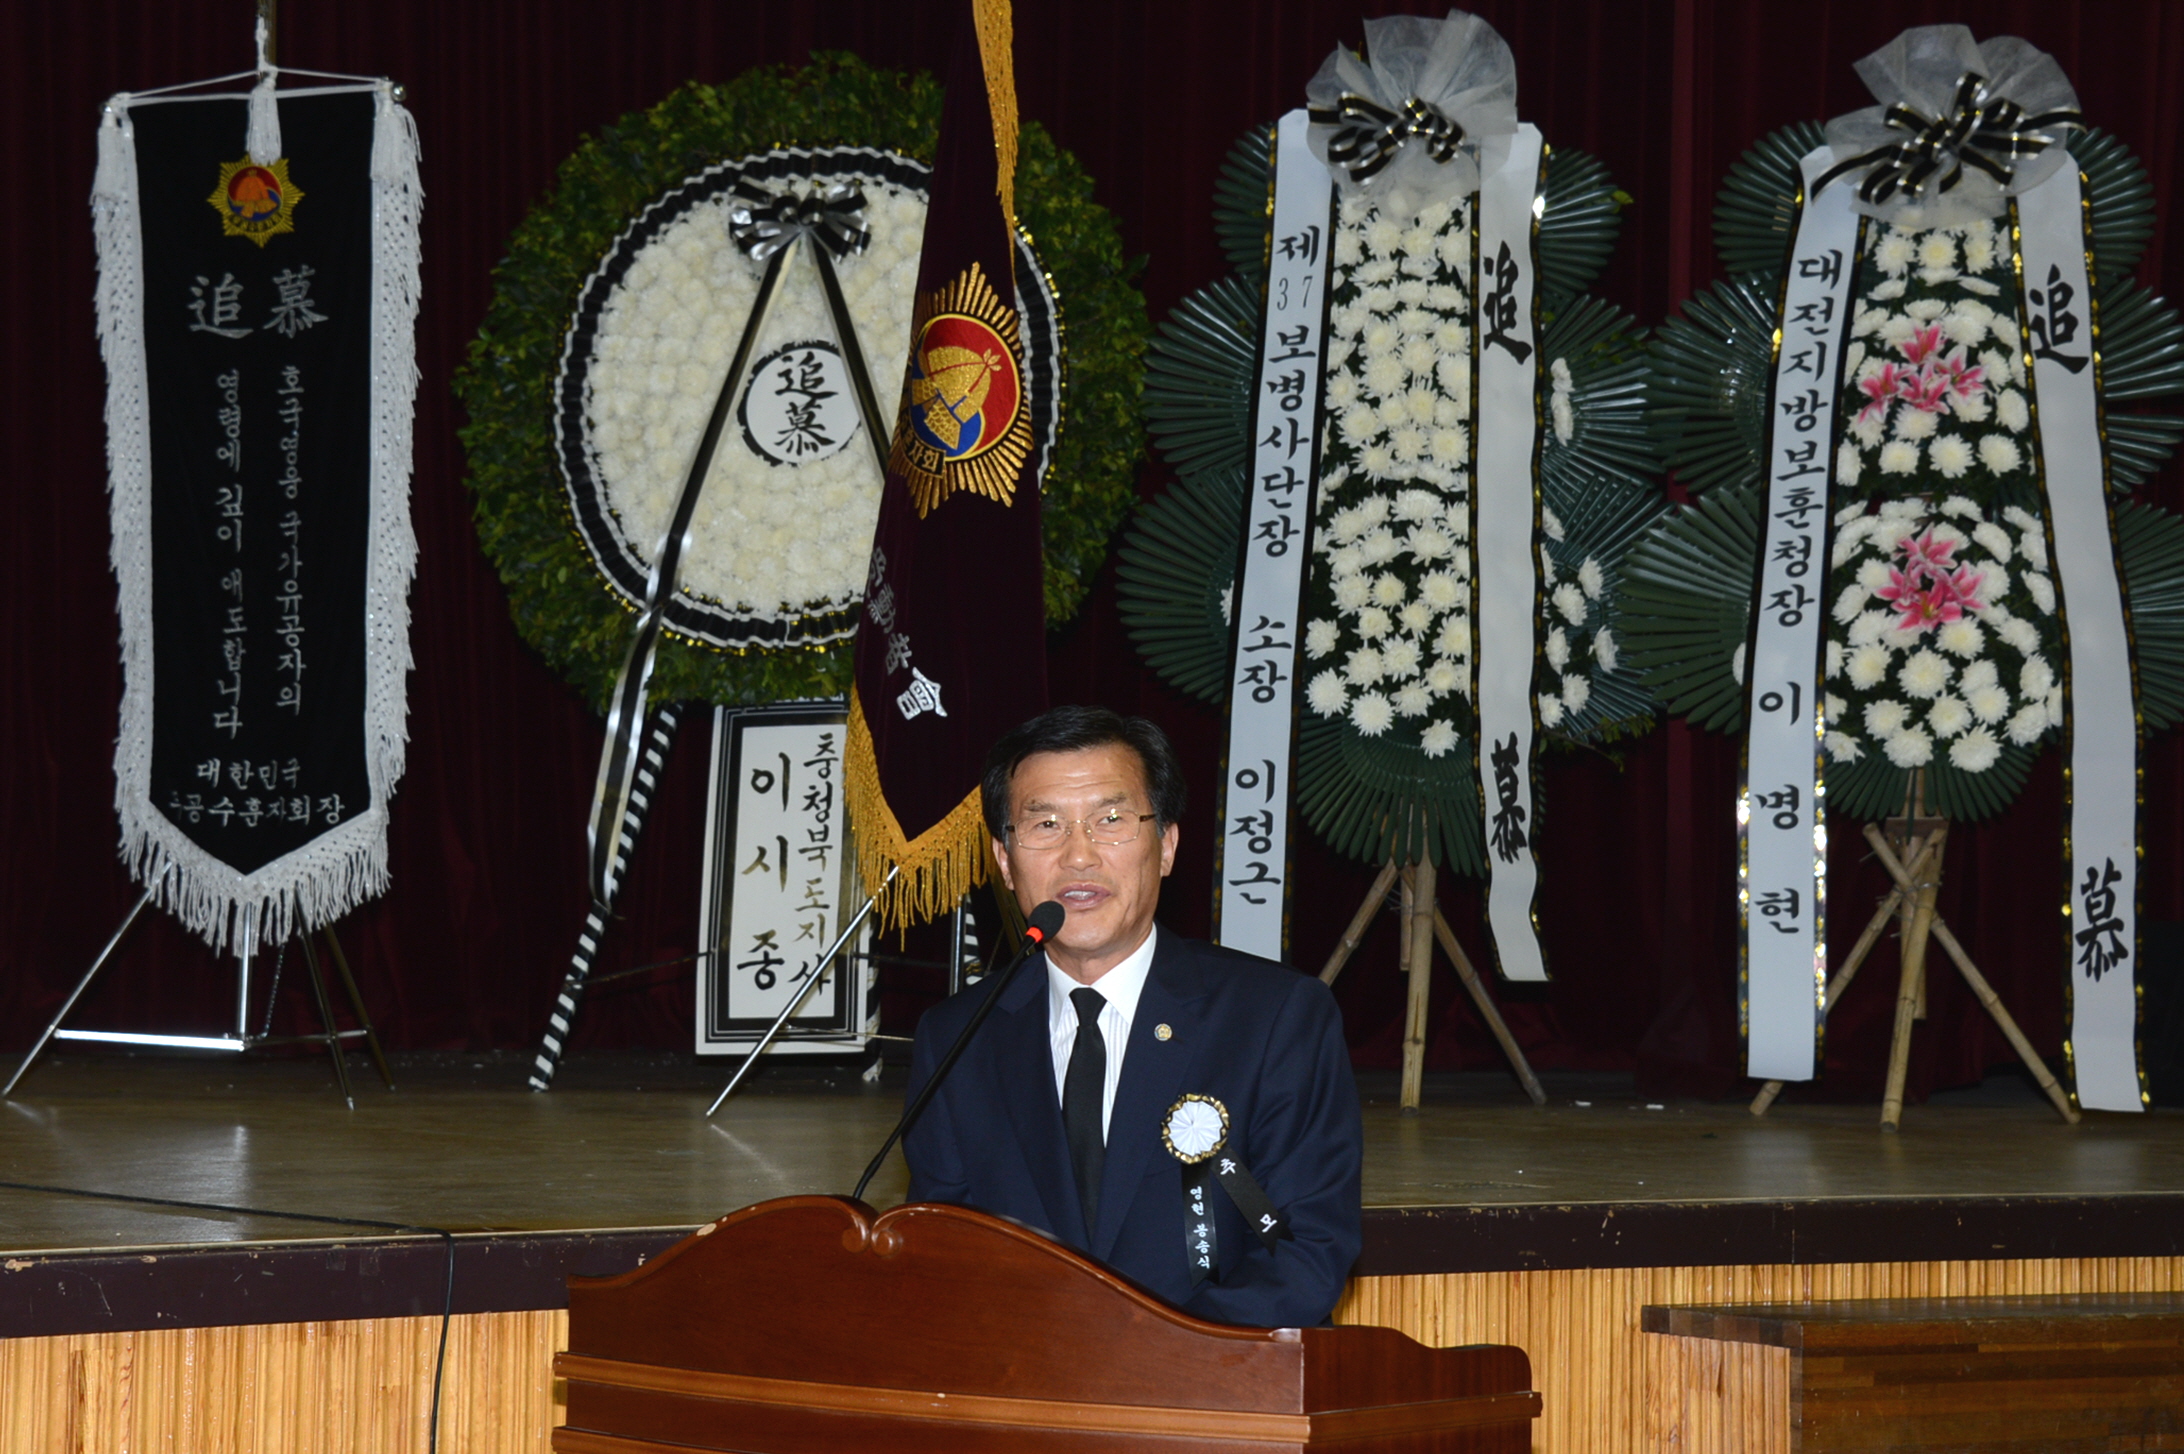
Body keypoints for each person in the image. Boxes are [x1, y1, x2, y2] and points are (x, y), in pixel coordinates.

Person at [902, 705, 1362, 1328]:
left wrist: (1149, 1359)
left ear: (1166, 845)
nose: (1079, 856)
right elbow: (942, 1259)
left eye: (1111, 820)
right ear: (1005, 860)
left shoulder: (1274, 1018)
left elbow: (1303, 1252)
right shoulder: (958, 1039)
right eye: (1046, 825)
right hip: (1024, 1377)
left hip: (1218, 1378)